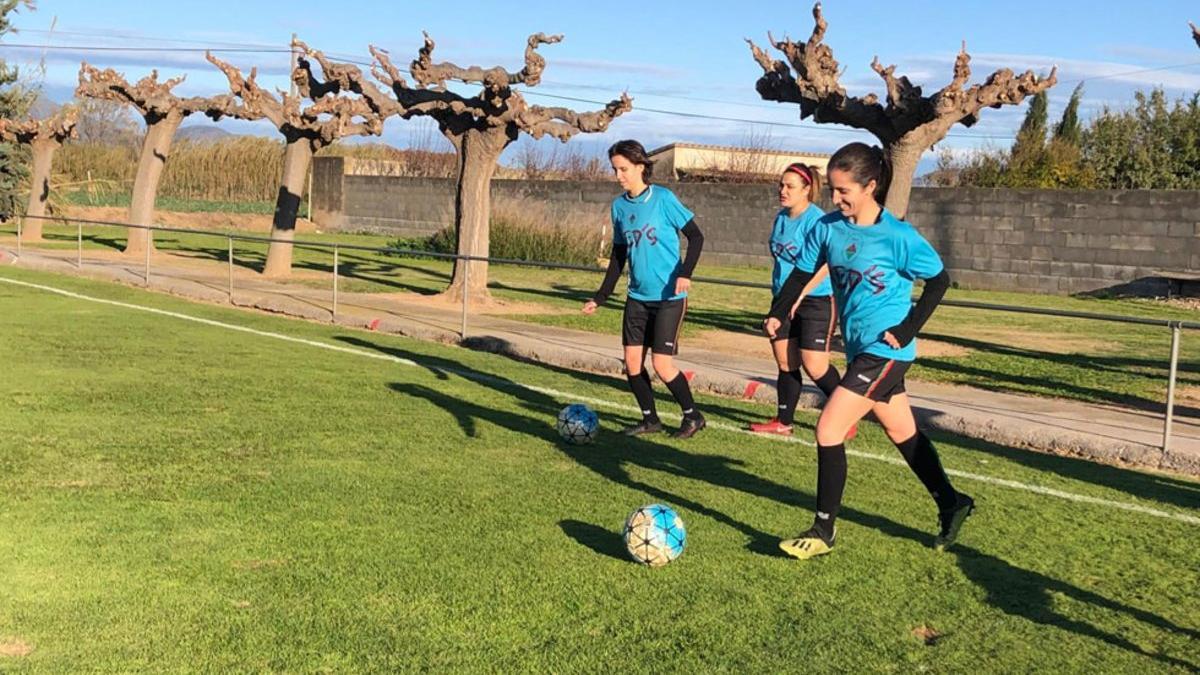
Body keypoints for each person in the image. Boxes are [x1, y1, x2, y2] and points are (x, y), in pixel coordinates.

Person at [764, 142, 974, 559]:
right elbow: (803, 271)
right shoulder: (827, 227)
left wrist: (908, 326)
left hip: (887, 351)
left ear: (871, 186)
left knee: (828, 428)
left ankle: (823, 532)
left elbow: (939, 281)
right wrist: (778, 311)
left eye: (844, 191)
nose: (836, 198)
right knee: (902, 431)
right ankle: (953, 502)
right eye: (834, 190)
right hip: (859, 348)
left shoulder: (898, 236)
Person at [583, 140, 707, 439]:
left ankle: (693, 415)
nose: (619, 176)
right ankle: (650, 420)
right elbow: (618, 256)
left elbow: (696, 237)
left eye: (624, 169)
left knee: (662, 365)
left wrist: (685, 274)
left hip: (668, 298)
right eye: (615, 170)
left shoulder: (663, 198)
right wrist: (600, 297)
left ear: (640, 167)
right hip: (637, 297)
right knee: (632, 364)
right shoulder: (619, 207)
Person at [749, 162, 854, 440]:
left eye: (790, 186)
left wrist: (801, 294)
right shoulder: (781, 218)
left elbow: (823, 265)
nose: (782, 191)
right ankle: (784, 421)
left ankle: (847, 415)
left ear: (807, 189)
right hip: (783, 300)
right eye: (781, 185)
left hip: (816, 300)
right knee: (786, 361)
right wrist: (783, 301)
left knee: (815, 364)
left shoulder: (817, 221)